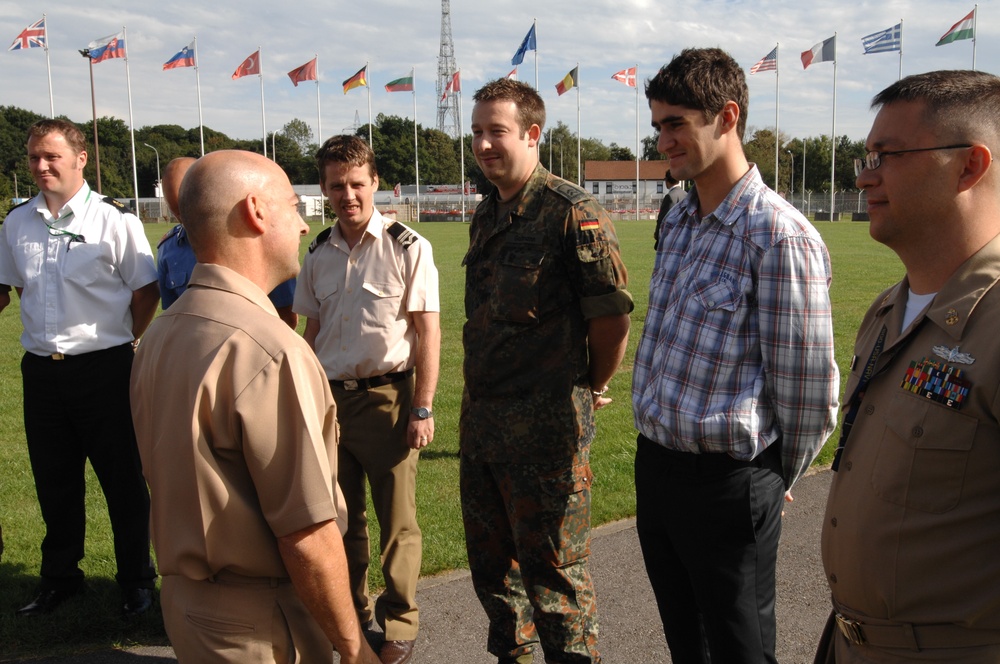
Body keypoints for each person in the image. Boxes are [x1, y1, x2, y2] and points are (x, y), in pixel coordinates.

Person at [130, 150, 379, 664]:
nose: (306, 223)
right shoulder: (269, 351)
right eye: (293, 206)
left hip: (187, 606)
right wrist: (355, 647)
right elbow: (307, 533)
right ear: (256, 212)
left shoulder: (160, 334)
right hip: (260, 625)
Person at [632, 48, 839, 664]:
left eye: (677, 124)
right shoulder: (678, 215)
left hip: (726, 482)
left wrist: (775, 476)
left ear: (727, 116)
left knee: (741, 649)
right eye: (658, 126)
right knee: (685, 645)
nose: (663, 141)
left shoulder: (779, 236)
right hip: (658, 468)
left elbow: (807, 391)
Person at [816, 70, 1000, 664]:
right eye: (867, 156)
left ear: (970, 167)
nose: (865, 175)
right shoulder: (888, 309)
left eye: (887, 155)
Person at [461, 78, 633, 664]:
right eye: (477, 131)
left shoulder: (571, 212)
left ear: (533, 134)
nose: (483, 144)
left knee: (556, 584)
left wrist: (595, 385)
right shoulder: (486, 213)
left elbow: (610, 319)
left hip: (546, 437)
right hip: (483, 431)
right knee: (495, 578)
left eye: (497, 132)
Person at [0, 118, 158, 617]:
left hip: (105, 368)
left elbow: (144, 290)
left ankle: (136, 580)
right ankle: (60, 579)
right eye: (33, 157)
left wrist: (126, 341)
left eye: (51, 156)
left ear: (80, 159)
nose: (41, 166)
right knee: (54, 479)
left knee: (123, 481)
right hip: (42, 371)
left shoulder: (115, 220)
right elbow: (20, 287)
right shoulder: (16, 221)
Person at [293, 135, 440, 664]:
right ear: (325, 189)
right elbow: (308, 331)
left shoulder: (408, 246)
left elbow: (428, 333)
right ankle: (349, 615)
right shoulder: (317, 253)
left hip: (390, 401)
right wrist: (301, 399)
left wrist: (422, 406)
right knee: (339, 520)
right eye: (337, 186)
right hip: (330, 403)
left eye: (357, 184)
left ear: (375, 183)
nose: (347, 195)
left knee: (397, 522)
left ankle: (399, 620)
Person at [156, 156, 299, 327]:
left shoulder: (255, 239)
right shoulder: (168, 249)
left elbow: (286, 315)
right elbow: (173, 317)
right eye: (177, 213)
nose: (184, 219)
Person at [653, 169, 684, 249]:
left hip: (670, 239)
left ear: (667, 181)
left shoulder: (670, 196)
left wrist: (657, 235)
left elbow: (663, 219)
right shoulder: (686, 194)